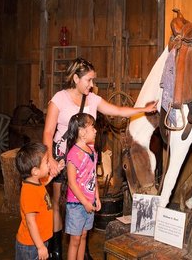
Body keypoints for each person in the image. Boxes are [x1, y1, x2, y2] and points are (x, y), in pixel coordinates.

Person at [43, 57, 157, 259]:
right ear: (76, 78)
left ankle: (82, 248)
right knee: (61, 204)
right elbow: (48, 132)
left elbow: (118, 110)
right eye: (88, 80)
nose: (92, 85)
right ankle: (57, 247)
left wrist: (143, 110)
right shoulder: (59, 99)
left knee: (84, 200)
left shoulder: (93, 99)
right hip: (61, 158)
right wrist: (50, 159)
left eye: (93, 80)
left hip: (86, 159)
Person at [62, 113, 100, 259]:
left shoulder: (92, 151)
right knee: (75, 239)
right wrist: (84, 202)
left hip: (89, 202)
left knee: (84, 235)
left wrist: (96, 196)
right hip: (77, 204)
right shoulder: (74, 154)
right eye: (92, 127)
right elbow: (71, 182)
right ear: (83, 132)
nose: (95, 130)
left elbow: (93, 175)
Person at [15, 142, 53, 260]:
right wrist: (40, 246)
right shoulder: (29, 192)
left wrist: (53, 174)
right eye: (46, 162)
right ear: (35, 171)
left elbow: (43, 184)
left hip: (39, 240)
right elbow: (30, 222)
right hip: (31, 245)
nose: (49, 165)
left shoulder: (36, 182)